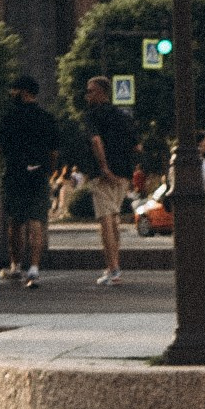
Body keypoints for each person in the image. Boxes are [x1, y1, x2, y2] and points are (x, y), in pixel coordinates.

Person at [0, 73, 60, 291]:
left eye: (14, 90)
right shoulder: (47, 117)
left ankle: (15, 265)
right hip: (39, 174)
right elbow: (53, 151)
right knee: (37, 221)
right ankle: (34, 268)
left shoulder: (10, 116)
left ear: (23, 91)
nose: (11, 93)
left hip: (15, 174)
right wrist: (48, 171)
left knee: (15, 222)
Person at [85, 76, 138, 286]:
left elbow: (96, 140)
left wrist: (104, 167)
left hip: (102, 174)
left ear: (101, 93)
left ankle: (113, 269)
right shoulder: (124, 116)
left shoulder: (92, 115)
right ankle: (113, 267)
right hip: (123, 173)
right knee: (114, 219)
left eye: (90, 91)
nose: (86, 95)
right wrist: (127, 169)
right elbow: (136, 146)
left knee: (105, 221)